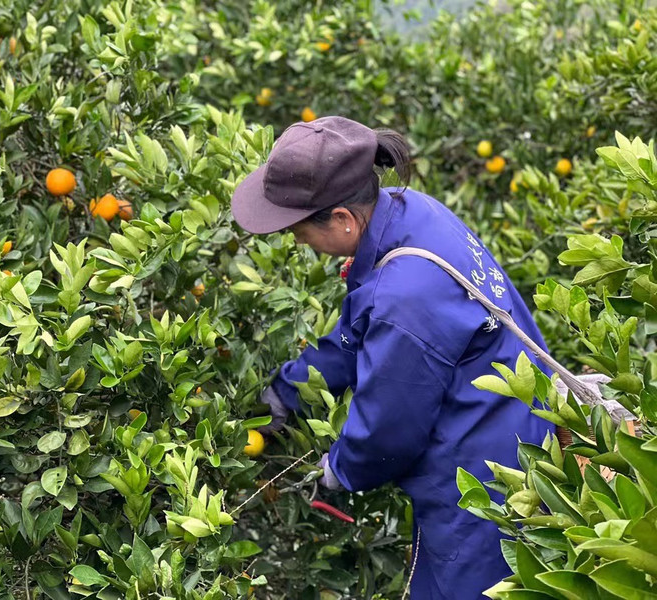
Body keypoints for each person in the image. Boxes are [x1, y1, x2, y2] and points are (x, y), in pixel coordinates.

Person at [231, 116, 555, 599]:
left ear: (342, 220)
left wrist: (341, 468)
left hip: (485, 479)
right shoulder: (409, 213)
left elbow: (391, 425)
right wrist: (288, 391)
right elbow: (359, 329)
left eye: (300, 231)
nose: (299, 241)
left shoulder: (406, 294)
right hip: (516, 427)